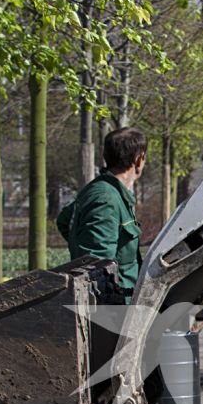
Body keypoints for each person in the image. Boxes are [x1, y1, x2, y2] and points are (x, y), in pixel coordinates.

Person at [57, 127, 146, 300]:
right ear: (138, 159)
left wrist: (78, 241)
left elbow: (64, 220)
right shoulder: (106, 199)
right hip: (114, 311)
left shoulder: (105, 191)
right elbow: (98, 267)